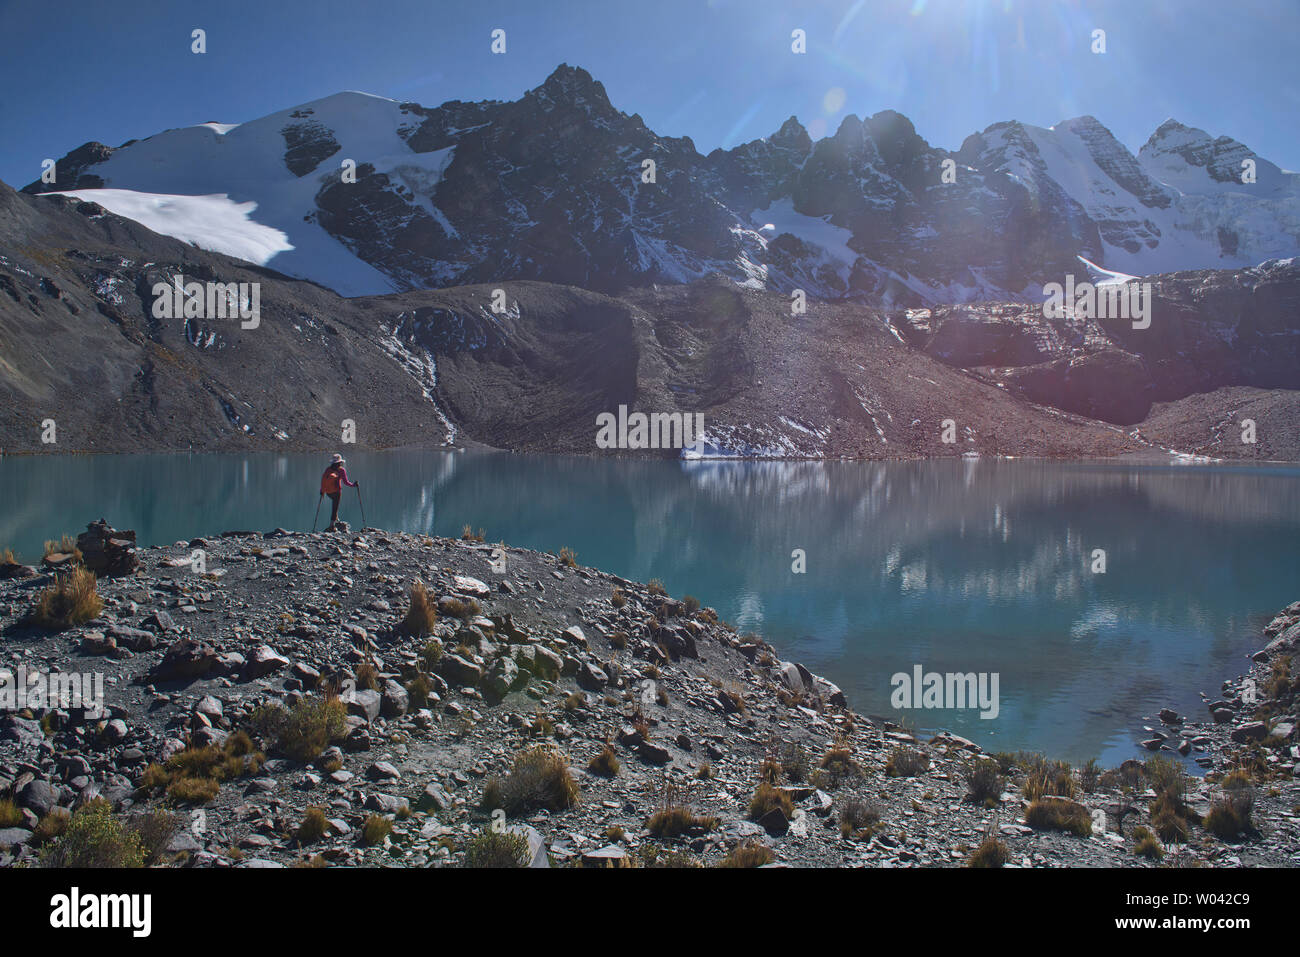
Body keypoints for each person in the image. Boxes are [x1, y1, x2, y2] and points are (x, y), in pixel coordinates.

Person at [319, 454, 358, 529]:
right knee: (335, 507)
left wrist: (322, 491)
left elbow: (324, 481)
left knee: (334, 504)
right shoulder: (341, 470)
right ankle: (332, 525)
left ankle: (336, 518)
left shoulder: (328, 469)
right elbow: (346, 482)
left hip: (328, 492)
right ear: (340, 462)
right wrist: (354, 485)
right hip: (336, 492)